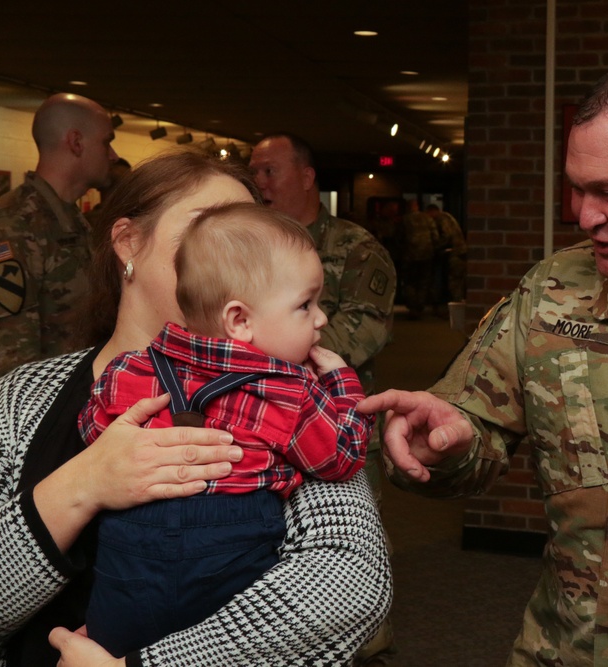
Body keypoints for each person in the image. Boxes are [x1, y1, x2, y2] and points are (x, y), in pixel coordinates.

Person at [359, 56, 608, 666]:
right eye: (578, 189)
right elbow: (474, 428)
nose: (585, 216)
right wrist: (440, 442)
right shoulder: (556, 288)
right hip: (562, 647)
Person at [0, 149, 390, 667]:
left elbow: (347, 582)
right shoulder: (24, 398)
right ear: (128, 243)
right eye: (209, 227)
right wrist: (85, 483)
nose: (235, 256)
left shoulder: (287, 390)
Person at [78, 202, 374, 657]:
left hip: (127, 570)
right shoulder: (291, 391)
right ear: (240, 321)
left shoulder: (129, 369)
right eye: (305, 305)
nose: (321, 319)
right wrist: (343, 388)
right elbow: (340, 456)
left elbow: (94, 432)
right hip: (230, 576)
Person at [249, 132, 397, 664]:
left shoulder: (354, 248)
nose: (260, 183)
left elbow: (365, 331)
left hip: (337, 428)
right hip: (262, 435)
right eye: (256, 172)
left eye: (271, 171)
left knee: (346, 564)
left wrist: (266, 357)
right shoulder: (251, 248)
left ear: (307, 176)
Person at [0, 93, 117, 379]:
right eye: (106, 141)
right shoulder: (14, 226)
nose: (112, 155)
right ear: (76, 143)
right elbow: (9, 361)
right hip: (37, 414)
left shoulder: (71, 220)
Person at [400, 199, 439, 319]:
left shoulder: (405, 220)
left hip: (410, 256)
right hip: (426, 255)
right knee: (424, 282)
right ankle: (420, 306)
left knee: (410, 282)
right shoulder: (427, 218)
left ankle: (412, 307)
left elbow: (399, 237)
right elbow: (435, 236)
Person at [425, 203, 467, 304]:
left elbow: (446, 235)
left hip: (456, 252)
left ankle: (456, 304)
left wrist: (436, 246)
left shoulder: (442, 219)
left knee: (454, 280)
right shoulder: (447, 217)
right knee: (457, 279)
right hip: (459, 251)